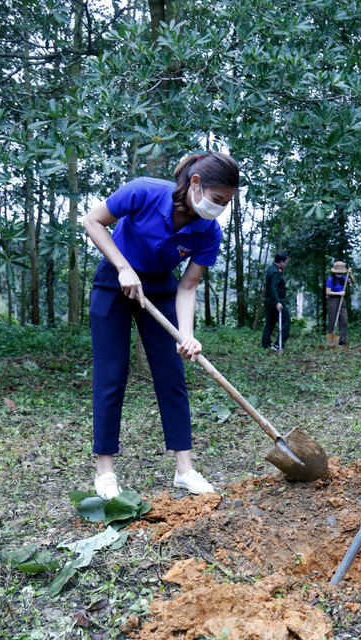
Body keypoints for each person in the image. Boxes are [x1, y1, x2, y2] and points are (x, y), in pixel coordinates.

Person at [83, 152, 239, 500]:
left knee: (172, 375)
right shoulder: (144, 191)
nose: (219, 208)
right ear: (195, 183)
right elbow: (93, 221)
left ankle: (185, 470)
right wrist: (123, 267)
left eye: (226, 203)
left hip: (160, 287)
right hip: (113, 280)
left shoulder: (208, 232)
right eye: (217, 199)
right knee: (111, 373)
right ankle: (105, 472)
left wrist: (187, 335)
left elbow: (188, 286)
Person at [261, 252, 290, 350]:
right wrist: (278, 302)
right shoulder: (276, 272)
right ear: (281, 261)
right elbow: (273, 288)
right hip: (275, 300)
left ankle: (266, 345)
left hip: (269, 300)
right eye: (286, 262)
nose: (286, 264)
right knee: (286, 321)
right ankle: (278, 344)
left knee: (270, 322)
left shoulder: (272, 269)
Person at [325, 261, 354, 346]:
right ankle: (331, 342)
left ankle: (342, 341)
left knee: (344, 320)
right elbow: (327, 292)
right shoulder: (330, 280)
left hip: (342, 300)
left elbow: (352, 282)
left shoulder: (344, 278)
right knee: (332, 321)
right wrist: (339, 293)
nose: (339, 274)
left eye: (341, 272)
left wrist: (350, 274)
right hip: (333, 300)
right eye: (338, 272)